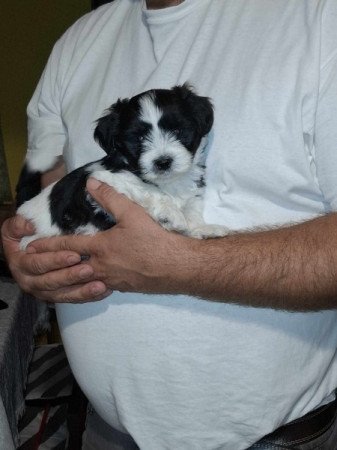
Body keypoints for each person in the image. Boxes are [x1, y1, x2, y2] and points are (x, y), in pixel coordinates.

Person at [2, 0, 337, 448]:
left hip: (269, 437)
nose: (163, 151)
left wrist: (182, 263)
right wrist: (22, 239)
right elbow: (47, 171)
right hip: (106, 430)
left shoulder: (317, 18)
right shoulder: (78, 38)